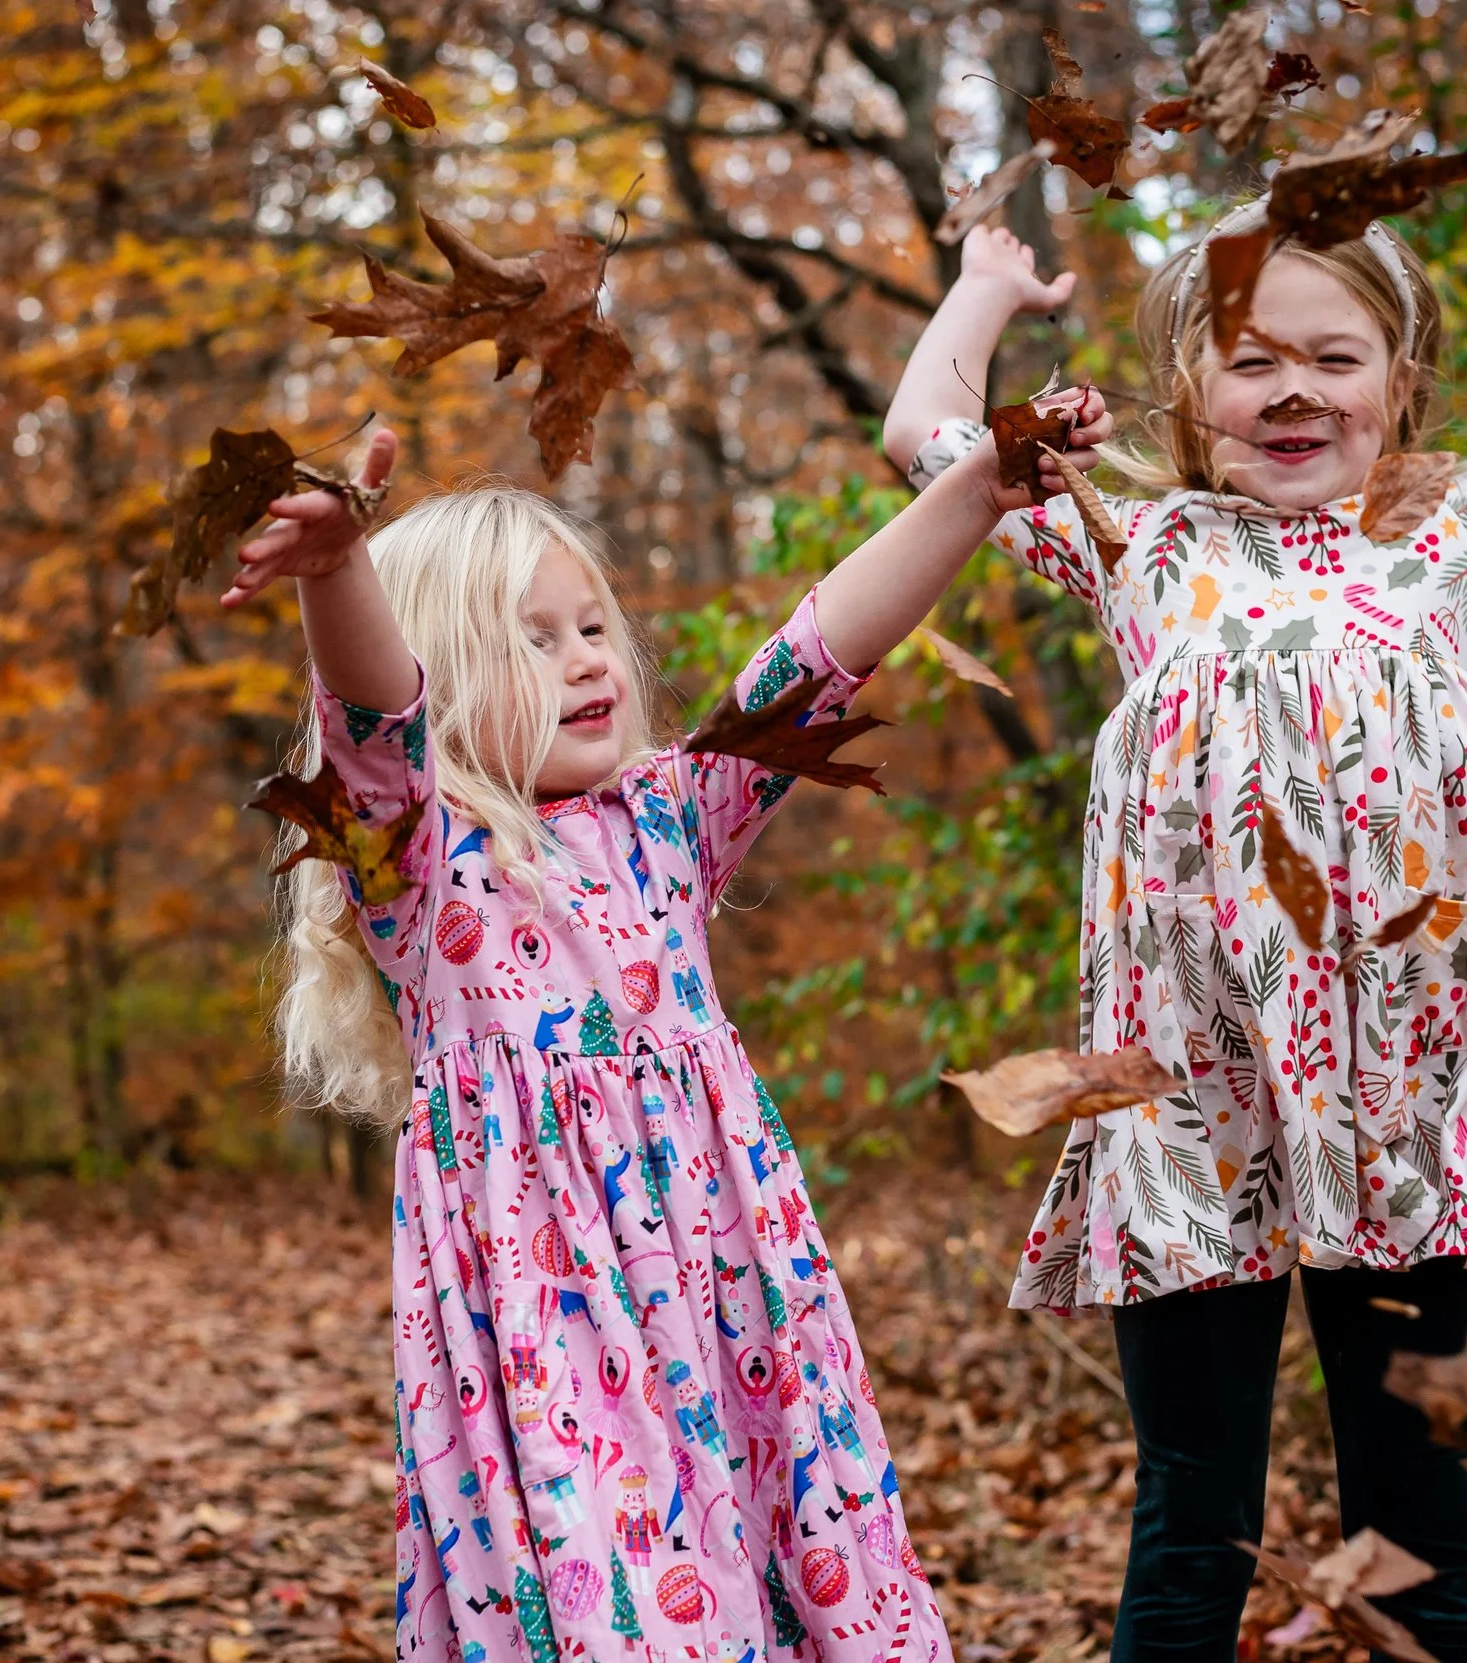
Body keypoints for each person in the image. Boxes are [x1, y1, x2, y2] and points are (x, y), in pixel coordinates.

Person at [881, 155, 1467, 1663]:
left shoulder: (1459, 540)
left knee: (1419, 1527)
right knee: (1196, 1520)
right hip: (1186, 1111)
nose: (1293, 389)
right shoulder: (1146, 547)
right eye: (1251, 361)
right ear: (1190, 393)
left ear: (1399, 379)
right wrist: (988, 293)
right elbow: (920, 430)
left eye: (1335, 356)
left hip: (1400, 1112)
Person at [230, 410, 1104, 1659]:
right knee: (624, 1603)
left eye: (592, 629)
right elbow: (377, 717)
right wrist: (336, 571)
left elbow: (820, 649)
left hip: (732, 1297)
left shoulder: (669, 820)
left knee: (797, 1560)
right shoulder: (418, 862)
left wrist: (973, 490)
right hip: (551, 1322)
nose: (588, 660)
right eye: (530, 642)